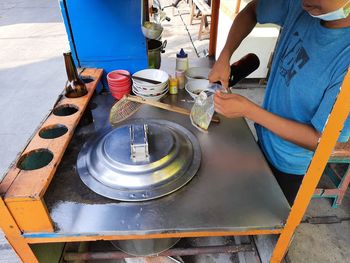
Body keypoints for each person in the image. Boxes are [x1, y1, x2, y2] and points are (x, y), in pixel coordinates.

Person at [209, 0, 350, 205]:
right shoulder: (301, 7)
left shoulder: (345, 61)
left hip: (289, 166)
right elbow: (252, 10)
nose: (305, 3)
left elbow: (320, 141)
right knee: (241, 200)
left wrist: (249, 110)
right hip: (263, 141)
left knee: (266, 218)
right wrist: (224, 55)